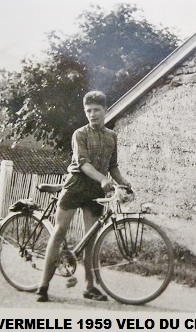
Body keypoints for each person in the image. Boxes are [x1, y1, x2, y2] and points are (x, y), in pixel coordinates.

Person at [36, 91, 131, 302]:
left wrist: (122, 181)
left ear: (105, 110)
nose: (92, 114)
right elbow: (83, 164)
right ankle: (43, 285)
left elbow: (112, 166)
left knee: (91, 240)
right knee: (60, 231)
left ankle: (90, 287)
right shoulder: (79, 134)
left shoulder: (112, 136)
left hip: (96, 190)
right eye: (88, 111)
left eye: (96, 110)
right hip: (76, 185)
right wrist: (103, 179)